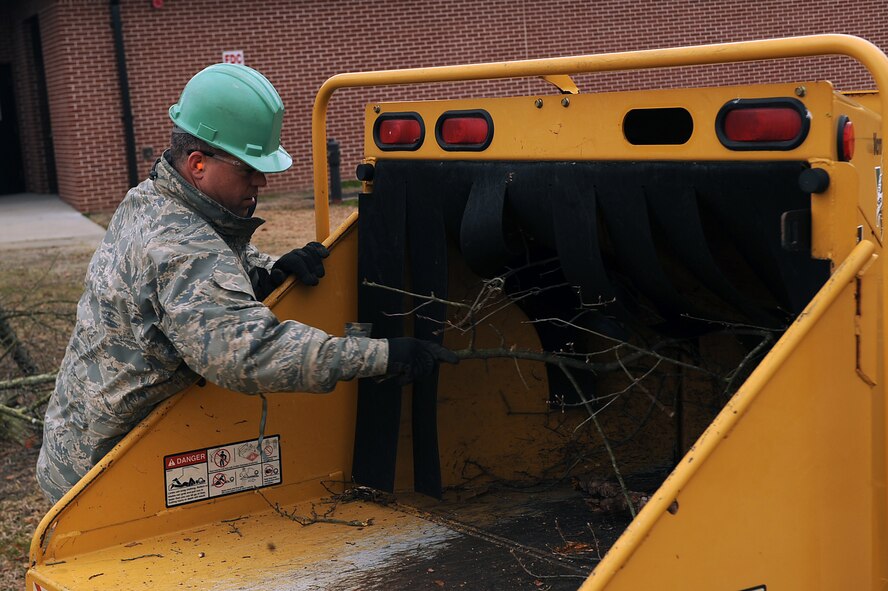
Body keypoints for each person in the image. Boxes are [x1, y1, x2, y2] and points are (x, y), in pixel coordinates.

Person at [36, 63, 457, 504]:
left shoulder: (151, 198)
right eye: (248, 168)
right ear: (198, 163)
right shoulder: (179, 245)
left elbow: (202, 267)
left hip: (80, 445)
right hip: (108, 477)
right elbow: (248, 354)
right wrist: (382, 356)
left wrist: (264, 272)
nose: (261, 180)